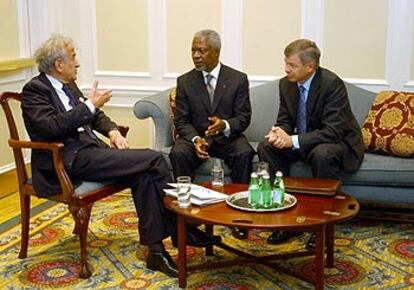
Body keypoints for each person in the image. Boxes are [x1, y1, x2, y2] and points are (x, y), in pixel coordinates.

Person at [21, 35, 212, 278]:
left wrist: (111, 130)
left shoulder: (69, 86)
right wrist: (89, 106)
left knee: (144, 173)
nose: (78, 64)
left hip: (92, 152)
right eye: (74, 58)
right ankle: (179, 227)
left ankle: (155, 251)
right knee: (154, 159)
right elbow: (51, 127)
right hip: (67, 160)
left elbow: (95, 116)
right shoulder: (35, 90)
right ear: (59, 64)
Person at [257, 39, 364, 247]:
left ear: (310, 67)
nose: (286, 69)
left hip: (338, 143)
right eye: (285, 63)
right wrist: (279, 133)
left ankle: (321, 225)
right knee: (266, 147)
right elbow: (285, 120)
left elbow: (332, 131)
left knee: (322, 153)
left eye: (292, 65)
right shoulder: (285, 84)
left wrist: (293, 140)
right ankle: (285, 219)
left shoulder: (332, 84)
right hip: (309, 140)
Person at [169, 29, 255, 240]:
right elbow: (181, 121)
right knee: (178, 153)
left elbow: (243, 117)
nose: (196, 55)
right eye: (193, 50)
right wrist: (197, 139)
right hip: (196, 138)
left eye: (202, 50)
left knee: (244, 152)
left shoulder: (237, 79)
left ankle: (239, 215)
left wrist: (224, 124)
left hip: (227, 138)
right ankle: (186, 218)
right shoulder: (185, 81)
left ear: (216, 52)